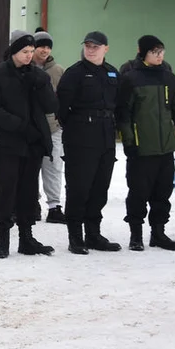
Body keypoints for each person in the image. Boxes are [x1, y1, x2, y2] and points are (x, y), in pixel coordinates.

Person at [0, 30, 58, 258]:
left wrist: (42, 84)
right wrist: (18, 124)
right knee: (7, 190)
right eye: (25, 52)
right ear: (14, 51)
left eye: (31, 52)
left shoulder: (37, 76)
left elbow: (51, 106)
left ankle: (27, 238)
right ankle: (3, 239)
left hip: (33, 143)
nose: (29, 56)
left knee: (28, 191)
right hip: (6, 142)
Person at [116, 35, 175, 252]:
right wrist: (129, 140)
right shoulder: (131, 78)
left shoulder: (169, 77)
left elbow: (172, 106)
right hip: (141, 146)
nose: (159, 56)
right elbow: (124, 113)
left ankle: (158, 232)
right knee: (138, 191)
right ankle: (135, 234)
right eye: (155, 52)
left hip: (166, 146)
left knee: (163, 191)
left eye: (162, 52)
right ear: (143, 52)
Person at [56, 31, 122, 255]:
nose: (91, 50)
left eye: (96, 46)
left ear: (106, 48)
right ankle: (76, 236)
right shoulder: (75, 73)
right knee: (79, 188)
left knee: (99, 188)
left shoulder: (112, 73)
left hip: (105, 136)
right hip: (81, 136)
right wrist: (77, 128)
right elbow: (62, 108)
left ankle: (93, 234)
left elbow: (119, 104)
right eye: (88, 46)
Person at [32, 30, 67, 224]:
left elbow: (64, 98)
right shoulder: (25, 67)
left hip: (53, 127)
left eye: (48, 46)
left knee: (53, 167)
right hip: (31, 127)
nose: (44, 50)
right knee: (31, 167)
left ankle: (54, 206)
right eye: (41, 46)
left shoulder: (58, 70)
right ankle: (32, 202)